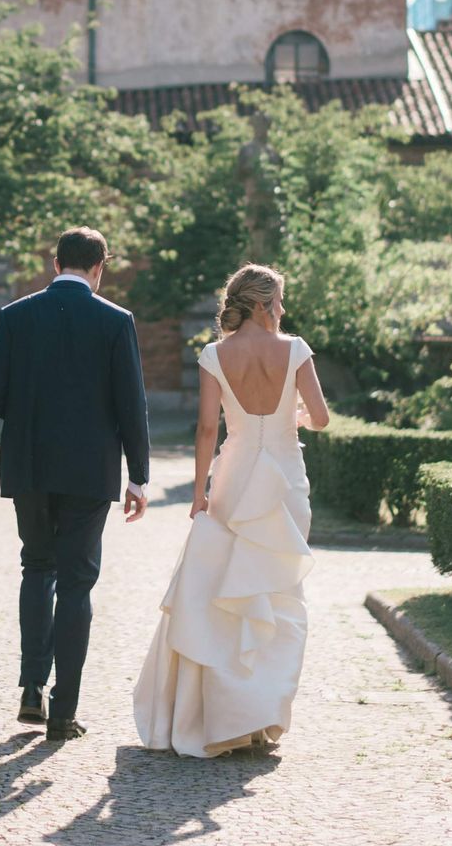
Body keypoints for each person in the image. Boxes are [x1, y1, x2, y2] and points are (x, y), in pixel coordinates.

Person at [134, 263, 327, 758]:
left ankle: (230, 717)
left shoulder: (215, 355)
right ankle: (261, 716)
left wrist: (199, 492)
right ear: (262, 305)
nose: (283, 311)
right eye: (279, 302)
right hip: (285, 480)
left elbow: (205, 430)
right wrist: (296, 417)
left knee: (226, 597)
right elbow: (321, 419)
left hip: (235, 477)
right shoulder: (296, 350)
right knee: (279, 595)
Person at [0, 227, 151, 741]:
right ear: (100, 268)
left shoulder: (14, 316)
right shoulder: (116, 321)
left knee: (37, 566)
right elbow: (131, 405)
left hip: (29, 464)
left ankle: (31, 686)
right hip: (89, 469)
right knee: (77, 582)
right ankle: (63, 710)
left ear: (55, 264)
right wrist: (138, 476)